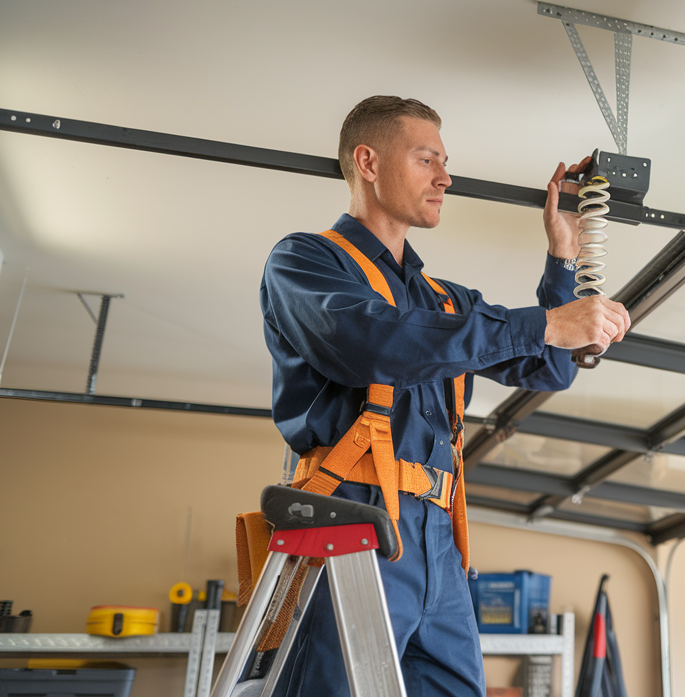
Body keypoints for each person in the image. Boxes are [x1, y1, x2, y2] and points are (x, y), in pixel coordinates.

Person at [259, 95, 630, 696]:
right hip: (354, 523)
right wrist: (544, 323)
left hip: (439, 541)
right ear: (369, 162)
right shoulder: (304, 260)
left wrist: (564, 256)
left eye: (445, 161)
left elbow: (550, 369)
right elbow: (372, 343)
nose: (445, 177)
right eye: (426, 158)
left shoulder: (444, 301)